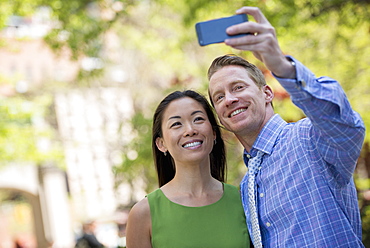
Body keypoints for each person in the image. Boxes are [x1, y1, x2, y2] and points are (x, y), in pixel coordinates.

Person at [207, 6, 365, 248]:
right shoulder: (246, 186)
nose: (228, 99)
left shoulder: (309, 138)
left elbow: (345, 125)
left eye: (238, 87)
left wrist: (281, 64)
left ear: (267, 93)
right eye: (219, 97)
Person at [126, 90, 250, 248]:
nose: (190, 130)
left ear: (213, 133)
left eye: (198, 119)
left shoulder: (243, 201)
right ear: (161, 144)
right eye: (176, 124)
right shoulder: (143, 213)